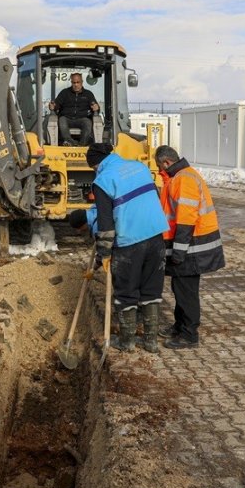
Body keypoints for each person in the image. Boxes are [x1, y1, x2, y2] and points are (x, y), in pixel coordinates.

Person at [87, 143, 169, 353]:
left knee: (126, 292)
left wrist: (103, 253)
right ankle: (150, 342)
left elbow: (105, 223)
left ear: (97, 165)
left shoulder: (102, 180)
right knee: (151, 289)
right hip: (156, 234)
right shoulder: (139, 167)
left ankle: (127, 342)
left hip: (130, 241)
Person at [154, 145, 226, 349]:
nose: (160, 171)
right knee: (180, 288)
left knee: (187, 291)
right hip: (190, 245)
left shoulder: (184, 179)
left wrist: (178, 251)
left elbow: (186, 219)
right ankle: (180, 326)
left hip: (193, 246)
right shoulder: (180, 177)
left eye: (160, 167)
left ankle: (189, 334)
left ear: (167, 162)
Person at [49, 73, 99, 146]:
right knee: (62, 119)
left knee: (88, 122)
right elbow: (56, 104)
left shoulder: (88, 94)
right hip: (67, 118)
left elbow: (95, 106)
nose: (76, 85)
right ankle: (70, 142)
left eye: (78, 82)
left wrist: (96, 108)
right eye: (74, 82)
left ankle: (82, 145)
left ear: (82, 82)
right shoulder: (64, 93)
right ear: (71, 82)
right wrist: (53, 106)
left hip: (82, 119)